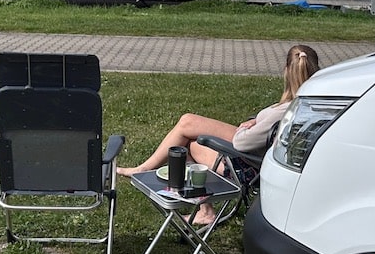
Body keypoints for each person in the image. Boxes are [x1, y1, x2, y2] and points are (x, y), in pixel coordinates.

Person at [118, 44, 321, 224]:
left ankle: (198, 207)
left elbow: (242, 143)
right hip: (261, 157)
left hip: (246, 166)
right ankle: (151, 174)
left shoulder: (282, 112)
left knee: (187, 136)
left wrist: (245, 127)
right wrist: (256, 122)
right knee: (187, 123)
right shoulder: (310, 107)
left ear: (286, 71)